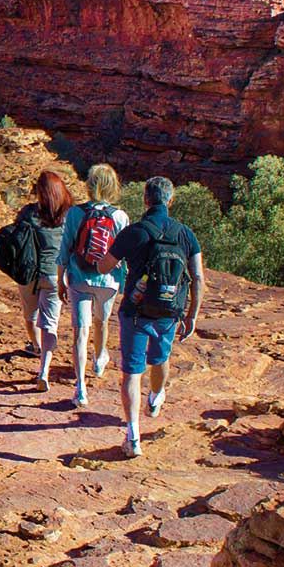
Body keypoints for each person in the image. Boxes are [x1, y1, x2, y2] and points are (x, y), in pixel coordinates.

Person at [96, 176, 204, 458]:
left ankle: (133, 436)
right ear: (171, 200)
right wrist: (192, 315)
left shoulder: (134, 232)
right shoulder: (185, 234)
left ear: (145, 199)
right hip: (170, 311)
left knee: (132, 373)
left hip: (136, 311)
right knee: (160, 358)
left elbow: (104, 266)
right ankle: (155, 397)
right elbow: (198, 277)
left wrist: (103, 261)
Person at [58, 164, 130, 410]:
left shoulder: (75, 213)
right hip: (108, 280)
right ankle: (99, 360)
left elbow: (65, 248)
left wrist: (61, 280)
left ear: (89, 185)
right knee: (102, 321)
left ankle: (80, 389)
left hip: (79, 278)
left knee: (81, 331)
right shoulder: (120, 216)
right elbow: (123, 254)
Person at [13, 170, 71, 391]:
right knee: (50, 324)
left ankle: (35, 346)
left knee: (30, 315)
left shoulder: (28, 213)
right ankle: (44, 370)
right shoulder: (68, 215)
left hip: (28, 272)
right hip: (55, 274)